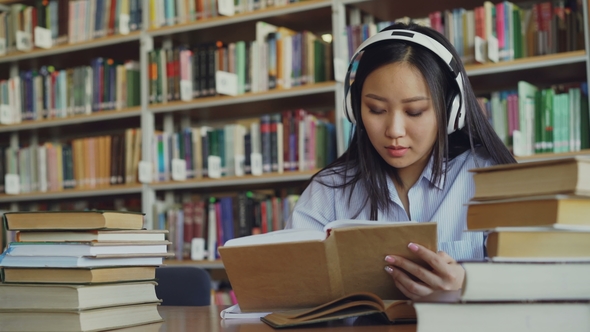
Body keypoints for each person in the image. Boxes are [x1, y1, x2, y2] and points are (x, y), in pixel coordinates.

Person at [285, 22, 516, 300]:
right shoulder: (329, 190)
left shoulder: (493, 178)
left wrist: (470, 284)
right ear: (354, 108)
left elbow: (543, 283)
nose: (394, 130)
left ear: (452, 111)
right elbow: (292, 291)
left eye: (415, 111)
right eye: (376, 109)